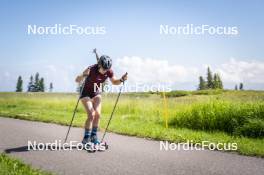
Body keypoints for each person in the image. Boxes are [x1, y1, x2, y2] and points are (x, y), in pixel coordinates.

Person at [75, 49, 128, 145]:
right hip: (85, 92)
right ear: (99, 65)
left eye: (106, 69)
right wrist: (83, 75)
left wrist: (121, 79)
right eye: (103, 69)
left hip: (96, 92)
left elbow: (115, 82)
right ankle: (86, 138)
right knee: (91, 114)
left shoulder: (109, 71)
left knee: (98, 115)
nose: (104, 71)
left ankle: (94, 136)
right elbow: (77, 80)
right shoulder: (91, 68)